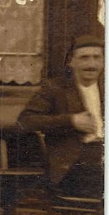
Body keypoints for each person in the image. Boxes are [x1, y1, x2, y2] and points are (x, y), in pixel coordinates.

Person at [19, 36, 105, 197]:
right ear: (71, 62)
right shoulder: (55, 89)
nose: (91, 64)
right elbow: (25, 121)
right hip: (74, 164)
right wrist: (71, 121)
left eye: (97, 57)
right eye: (84, 58)